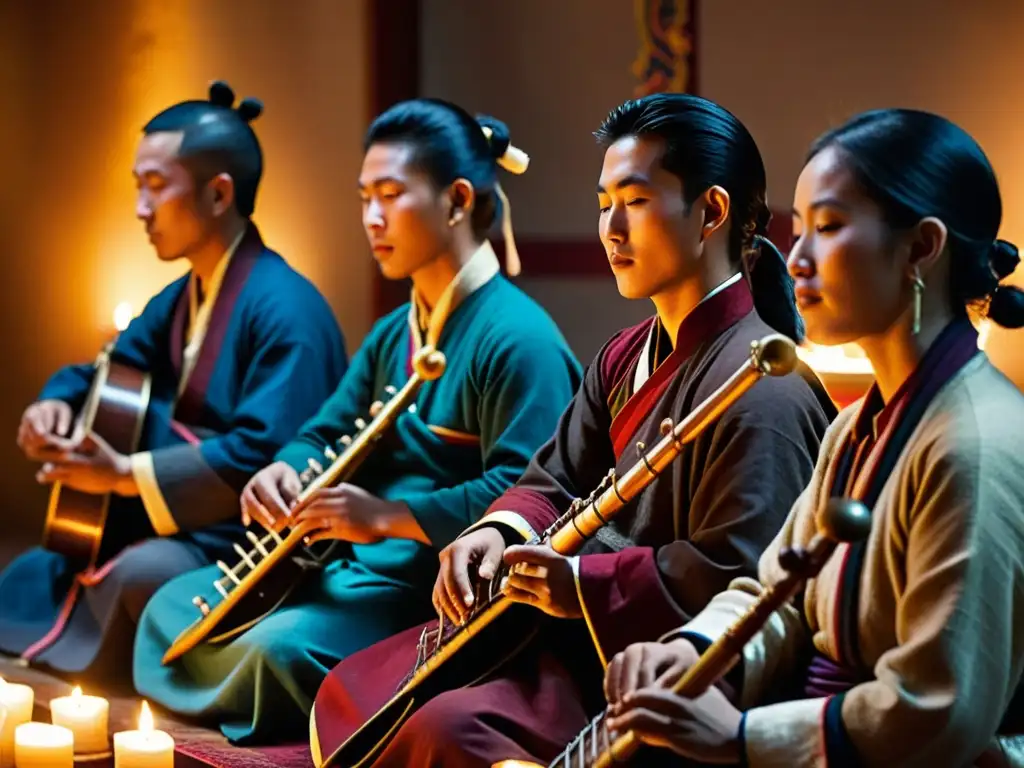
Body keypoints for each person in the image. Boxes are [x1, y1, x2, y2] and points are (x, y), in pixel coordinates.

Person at [310, 92, 838, 767]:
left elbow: (743, 577)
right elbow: (552, 477)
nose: (611, 227)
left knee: (452, 731)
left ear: (710, 211)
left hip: (654, 670)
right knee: (360, 686)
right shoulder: (624, 354)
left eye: (635, 201)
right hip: (571, 637)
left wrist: (585, 583)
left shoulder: (767, 389)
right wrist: (495, 533)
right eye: (602, 203)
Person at [132, 98, 583, 744]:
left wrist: (382, 518)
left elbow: (530, 494)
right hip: (346, 568)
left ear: (456, 200)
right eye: (364, 196)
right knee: (168, 609)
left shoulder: (519, 339)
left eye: (391, 195)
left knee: (276, 651)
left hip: (423, 589)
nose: (371, 218)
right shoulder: (392, 333)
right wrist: (283, 469)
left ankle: (327, 701)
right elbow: (322, 429)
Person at [602, 108, 1024, 767]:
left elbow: (938, 709)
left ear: (921, 247)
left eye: (826, 228)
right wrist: (690, 649)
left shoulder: (974, 444)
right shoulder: (859, 425)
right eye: (798, 230)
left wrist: (740, 738)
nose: (794, 260)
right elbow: (778, 592)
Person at [0, 81, 348, 689]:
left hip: (241, 538)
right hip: (166, 518)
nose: (140, 208)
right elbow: (108, 370)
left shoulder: (289, 310)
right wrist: (56, 403)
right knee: (39, 566)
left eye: (155, 186)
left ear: (219, 194)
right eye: (138, 185)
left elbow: (263, 459)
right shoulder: (185, 293)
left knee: (140, 576)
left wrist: (121, 476)